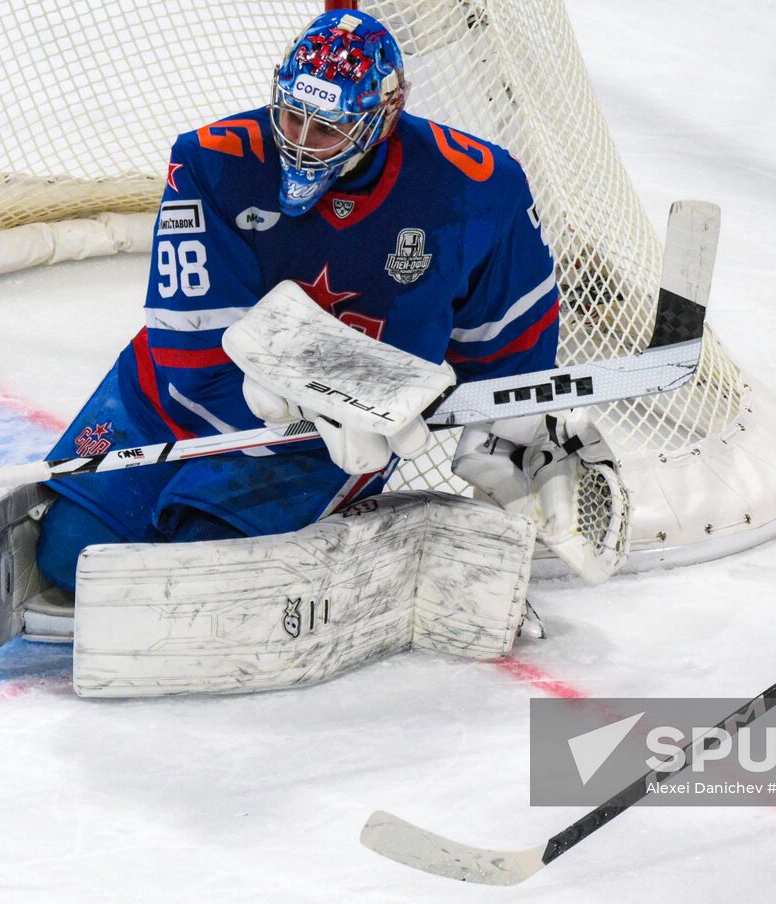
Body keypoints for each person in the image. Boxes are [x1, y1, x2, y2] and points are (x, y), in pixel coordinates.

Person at [30, 9, 580, 595]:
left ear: (385, 114)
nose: (299, 142)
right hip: (173, 399)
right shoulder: (211, 161)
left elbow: (509, 338)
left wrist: (508, 426)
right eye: (292, 116)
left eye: (326, 129)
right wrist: (293, 389)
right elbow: (190, 347)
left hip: (328, 441)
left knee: (198, 572)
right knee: (67, 557)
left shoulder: (477, 185)